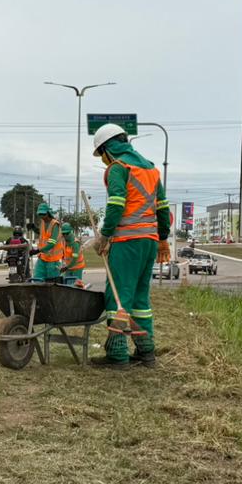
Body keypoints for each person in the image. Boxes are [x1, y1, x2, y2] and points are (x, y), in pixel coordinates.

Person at [88, 123, 170, 369]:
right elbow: (163, 209)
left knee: (118, 296)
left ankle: (117, 354)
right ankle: (146, 353)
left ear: (107, 149)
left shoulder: (118, 167)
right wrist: (162, 237)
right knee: (139, 300)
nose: (103, 160)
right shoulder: (151, 170)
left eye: (102, 154)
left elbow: (116, 205)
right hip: (149, 243)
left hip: (126, 242)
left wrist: (104, 235)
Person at [32, 203, 65, 283]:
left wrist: (38, 250)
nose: (42, 216)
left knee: (52, 283)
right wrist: (34, 228)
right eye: (40, 214)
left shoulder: (55, 225)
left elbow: (52, 243)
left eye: (43, 214)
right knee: (37, 279)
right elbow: (43, 234)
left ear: (48, 213)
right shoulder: (43, 222)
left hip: (53, 260)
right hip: (42, 257)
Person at [60, 222, 85, 287]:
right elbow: (64, 254)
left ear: (71, 232)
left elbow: (74, 260)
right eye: (63, 233)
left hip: (77, 268)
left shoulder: (75, 243)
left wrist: (65, 268)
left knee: (76, 286)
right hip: (69, 267)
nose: (65, 235)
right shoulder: (64, 241)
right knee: (67, 285)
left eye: (67, 233)